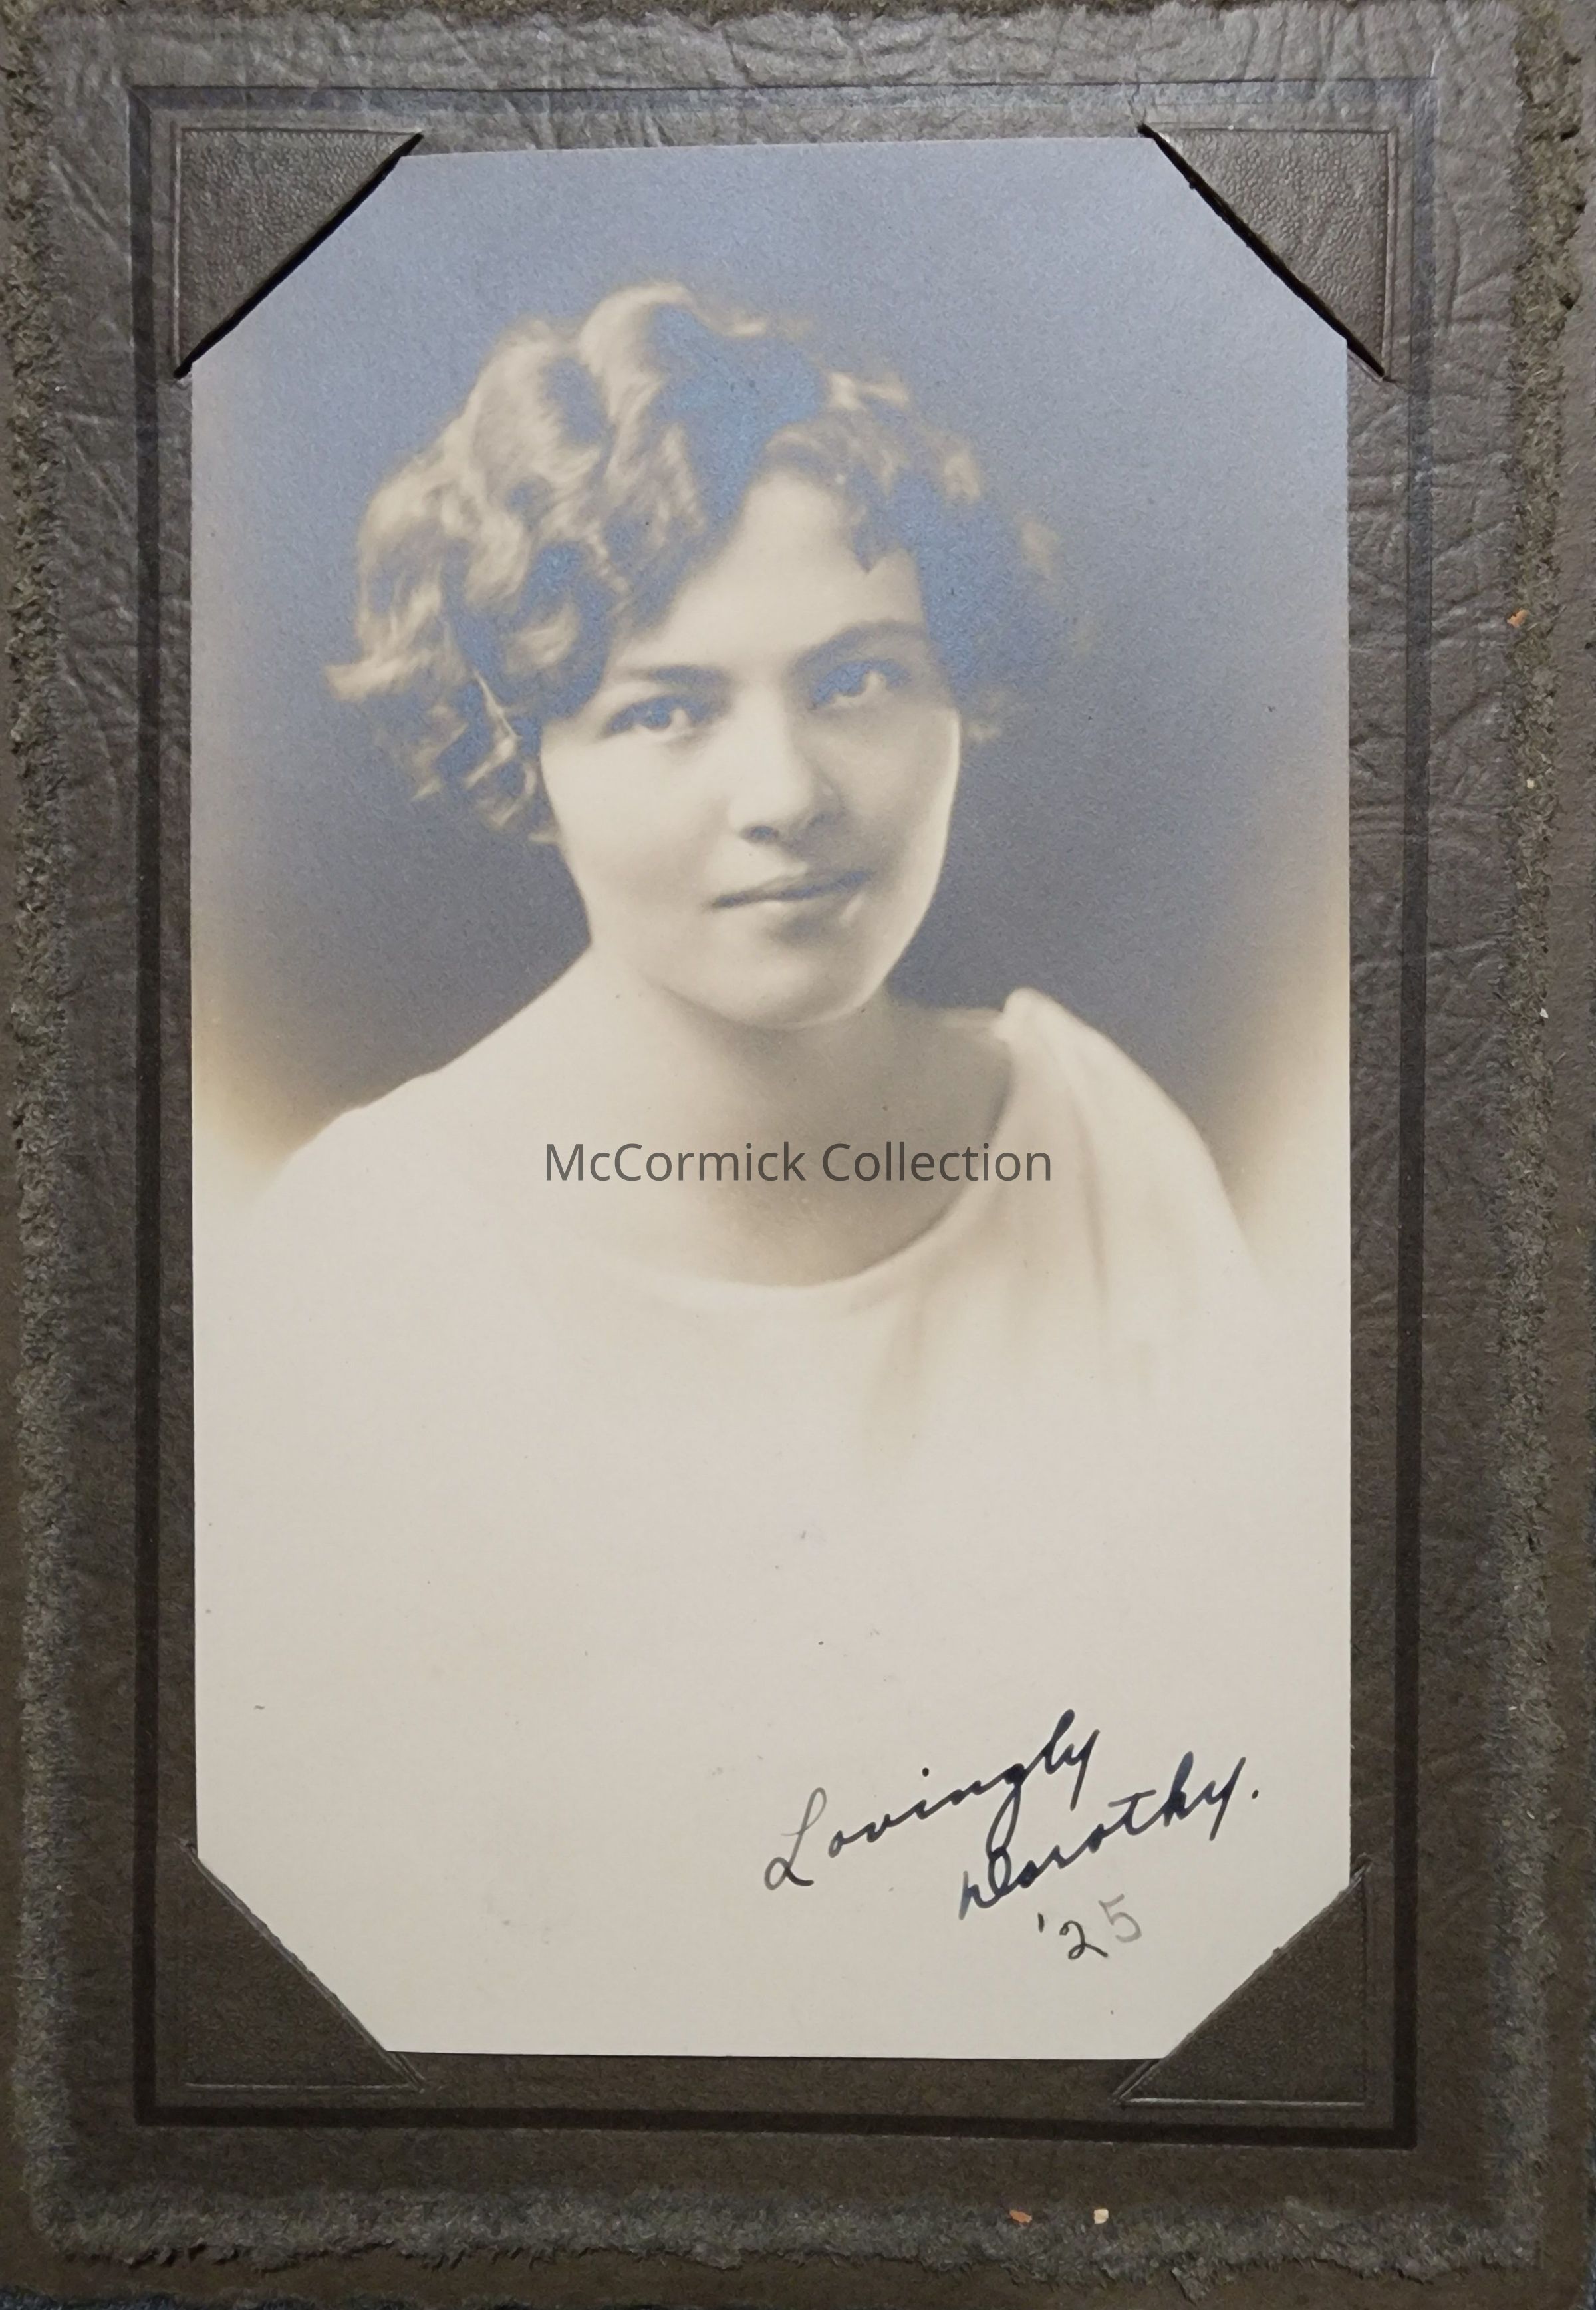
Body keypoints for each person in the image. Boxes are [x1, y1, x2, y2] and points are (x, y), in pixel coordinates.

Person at [194, 283, 1346, 2062]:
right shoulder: (363, 1263)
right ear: (528, 751)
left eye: (859, 678)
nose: (789, 790)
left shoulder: (1098, 1142)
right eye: (665, 709)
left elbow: (1254, 1818)